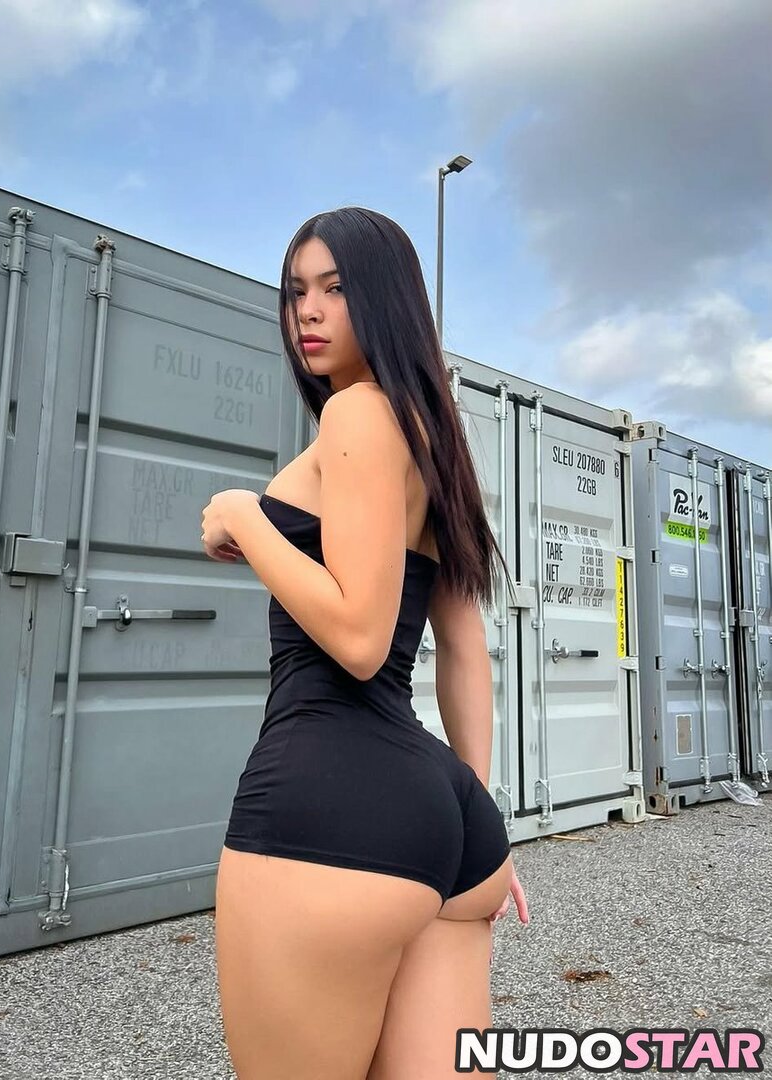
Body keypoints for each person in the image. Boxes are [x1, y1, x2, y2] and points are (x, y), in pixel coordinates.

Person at [202, 207, 529, 1079]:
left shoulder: (356, 414)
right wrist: (474, 816)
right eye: (295, 291)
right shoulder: (435, 438)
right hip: (443, 819)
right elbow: (464, 645)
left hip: (329, 795)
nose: (307, 311)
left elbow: (357, 638)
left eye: (336, 289)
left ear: (385, 299)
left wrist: (244, 516)